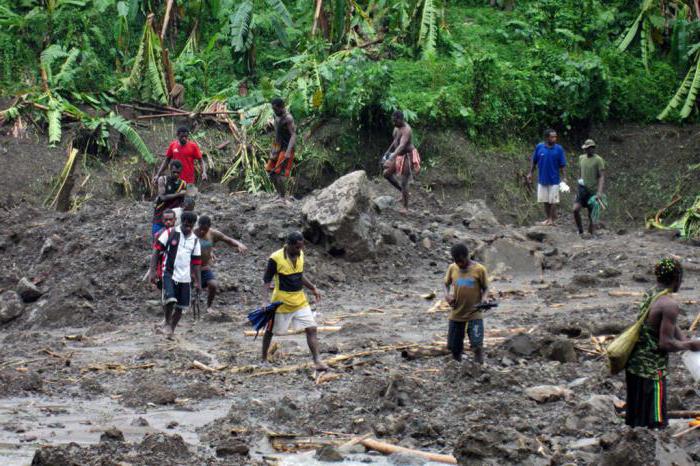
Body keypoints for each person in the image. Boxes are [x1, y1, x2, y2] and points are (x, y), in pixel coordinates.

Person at [625, 258, 700, 429]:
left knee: (637, 420)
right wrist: (690, 346)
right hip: (652, 370)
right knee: (656, 421)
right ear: (677, 278)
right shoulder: (670, 304)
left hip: (634, 365)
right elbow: (665, 344)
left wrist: (686, 341)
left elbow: (669, 328)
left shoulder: (651, 294)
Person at [261, 231, 328, 371]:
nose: (300, 250)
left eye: (301, 247)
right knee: (270, 330)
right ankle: (263, 359)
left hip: (300, 300)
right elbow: (267, 280)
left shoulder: (300, 255)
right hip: (281, 302)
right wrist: (265, 301)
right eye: (297, 247)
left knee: (311, 328)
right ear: (289, 245)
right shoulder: (275, 258)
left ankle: (317, 361)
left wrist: (313, 288)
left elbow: (300, 275)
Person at [148, 211, 202, 339]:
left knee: (181, 306)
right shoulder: (170, 233)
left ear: (194, 225)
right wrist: (152, 271)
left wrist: (198, 282)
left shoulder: (195, 240)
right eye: (185, 224)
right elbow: (156, 251)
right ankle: (166, 322)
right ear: (181, 222)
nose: (187, 227)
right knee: (170, 299)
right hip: (169, 273)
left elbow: (196, 263)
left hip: (185, 277)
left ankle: (171, 329)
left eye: (190, 225)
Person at [444, 243, 490, 365]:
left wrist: (484, 299)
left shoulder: (479, 270)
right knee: (454, 347)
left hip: (474, 313)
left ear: (467, 256)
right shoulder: (452, 268)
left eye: (461, 261)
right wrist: (447, 295)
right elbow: (446, 284)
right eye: (456, 261)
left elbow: (486, 288)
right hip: (457, 313)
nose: (459, 264)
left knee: (477, 345)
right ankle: (456, 369)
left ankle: (480, 368)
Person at [194, 215, 248, 311]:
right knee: (189, 286)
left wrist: (239, 244)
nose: (202, 231)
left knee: (213, 285)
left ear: (209, 227)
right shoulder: (192, 233)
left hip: (204, 266)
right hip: (191, 267)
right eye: (201, 229)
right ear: (198, 226)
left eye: (205, 229)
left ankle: (209, 307)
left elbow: (227, 239)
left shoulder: (213, 233)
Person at [383, 110, 420, 213]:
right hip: (398, 155)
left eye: (395, 121)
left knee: (404, 182)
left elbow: (402, 145)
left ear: (400, 119)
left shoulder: (406, 130)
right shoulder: (396, 128)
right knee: (386, 174)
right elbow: (395, 141)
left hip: (408, 156)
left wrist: (391, 158)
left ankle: (405, 207)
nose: (393, 123)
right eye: (392, 121)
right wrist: (388, 153)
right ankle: (403, 193)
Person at [527, 129, 567, 225]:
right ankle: (548, 218)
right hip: (542, 179)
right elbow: (534, 161)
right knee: (545, 200)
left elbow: (562, 164)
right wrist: (530, 173)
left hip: (554, 179)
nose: (555, 139)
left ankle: (552, 219)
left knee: (553, 200)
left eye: (555, 137)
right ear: (546, 138)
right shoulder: (539, 147)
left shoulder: (559, 149)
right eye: (552, 137)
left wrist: (565, 177)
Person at [266, 98, 297, 200]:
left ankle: (283, 197)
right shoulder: (276, 116)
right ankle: (278, 194)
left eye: (275, 109)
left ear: (281, 107)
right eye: (273, 109)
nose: (274, 111)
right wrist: (273, 149)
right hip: (277, 146)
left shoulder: (288, 118)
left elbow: (293, 135)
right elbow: (277, 133)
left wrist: (288, 152)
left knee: (280, 173)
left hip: (286, 147)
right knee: (270, 171)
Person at [573, 139, 605, 236]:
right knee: (575, 209)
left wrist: (599, 192)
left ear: (594, 148)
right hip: (582, 189)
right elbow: (579, 172)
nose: (590, 150)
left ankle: (591, 233)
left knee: (592, 214)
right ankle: (580, 230)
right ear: (585, 149)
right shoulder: (581, 158)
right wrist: (578, 183)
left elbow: (601, 176)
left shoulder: (598, 160)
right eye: (588, 148)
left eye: (592, 148)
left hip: (593, 191)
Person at [152, 160, 187, 238]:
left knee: (173, 240)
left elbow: (182, 202)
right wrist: (179, 194)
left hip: (174, 216)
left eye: (178, 172)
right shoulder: (163, 179)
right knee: (157, 238)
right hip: (161, 213)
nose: (176, 174)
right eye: (174, 172)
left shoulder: (183, 183)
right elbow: (163, 197)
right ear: (170, 169)